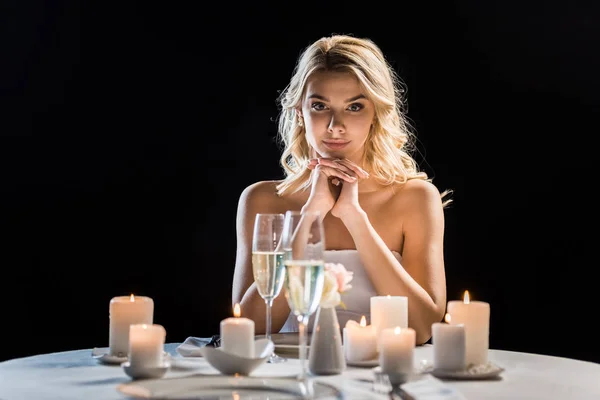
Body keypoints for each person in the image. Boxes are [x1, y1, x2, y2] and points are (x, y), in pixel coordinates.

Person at [232, 34, 451, 345]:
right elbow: (248, 329)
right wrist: (307, 219)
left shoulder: (414, 198)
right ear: (299, 112)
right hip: (289, 379)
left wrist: (354, 217)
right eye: (320, 105)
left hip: (381, 379)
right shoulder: (262, 199)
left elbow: (420, 327)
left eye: (355, 106)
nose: (335, 125)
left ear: (376, 113)